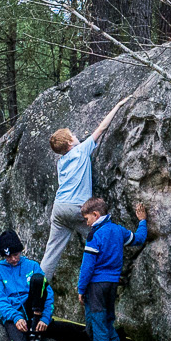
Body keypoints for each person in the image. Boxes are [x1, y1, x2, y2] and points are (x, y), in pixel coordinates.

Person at [40, 95, 135, 290]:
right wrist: (118, 105)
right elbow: (101, 129)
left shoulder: (61, 162)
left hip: (59, 209)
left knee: (51, 253)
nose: (76, 136)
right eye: (72, 135)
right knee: (104, 237)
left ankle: (37, 289)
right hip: (77, 208)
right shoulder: (81, 150)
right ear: (69, 143)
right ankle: (116, 276)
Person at [76, 195, 148, 341]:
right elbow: (139, 239)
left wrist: (81, 289)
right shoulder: (118, 230)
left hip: (96, 286)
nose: (86, 224)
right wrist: (142, 222)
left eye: (87, 219)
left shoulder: (94, 234)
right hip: (112, 283)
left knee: (98, 323)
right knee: (108, 320)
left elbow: (87, 266)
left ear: (95, 214)